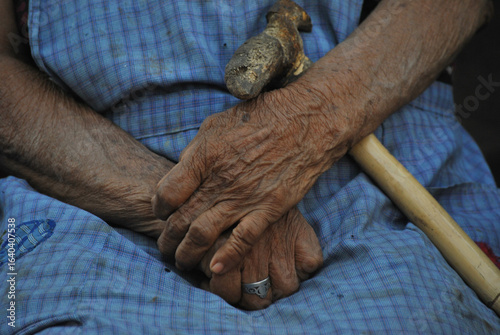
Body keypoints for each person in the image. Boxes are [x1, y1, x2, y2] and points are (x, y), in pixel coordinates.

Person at [0, 0, 499, 333]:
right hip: (87, 189)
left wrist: (314, 119)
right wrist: (197, 206)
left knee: (425, 309)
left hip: (368, 141)